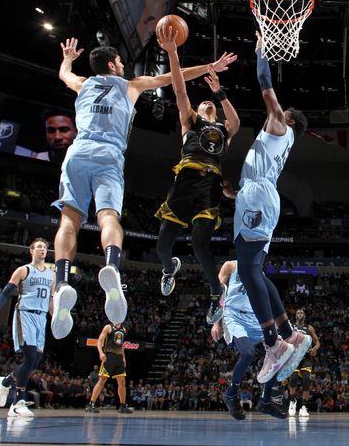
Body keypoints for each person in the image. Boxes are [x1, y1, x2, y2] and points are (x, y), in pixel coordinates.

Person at [50, 36, 237, 340]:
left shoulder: (83, 84)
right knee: (108, 218)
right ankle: (111, 265)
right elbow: (173, 79)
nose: (124, 66)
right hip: (108, 155)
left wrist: (69, 58)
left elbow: (64, 75)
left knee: (69, 220)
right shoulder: (130, 85)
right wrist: (210, 66)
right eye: (121, 63)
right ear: (113, 64)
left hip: (78, 151)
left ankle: (61, 283)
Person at [231, 32, 311, 385]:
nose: (283, 107)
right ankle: (290, 333)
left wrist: (261, 49)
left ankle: (273, 344)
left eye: (286, 109)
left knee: (248, 273)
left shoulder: (280, 123)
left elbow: (265, 84)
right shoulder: (281, 139)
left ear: (290, 120)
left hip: (259, 197)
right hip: (260, 196)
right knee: (256, 272)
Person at [156, 45, 240, 326]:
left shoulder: (224, 129)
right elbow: (180, 89)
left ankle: (217, 293)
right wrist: (172, 52)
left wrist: (220, 93)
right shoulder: (190, 120)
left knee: (199, 243)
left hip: (210, 185)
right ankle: (169, 269)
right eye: (204, 101)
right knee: (162, 246)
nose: (207, 103)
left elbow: (237, 122)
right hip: (185, 181)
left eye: (211, 104)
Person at [210, 260, 287, 420]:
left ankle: (265, 401)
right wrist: (217, 321)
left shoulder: (260, 272)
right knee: (248, 353)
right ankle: (231, 395)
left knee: (280, 352)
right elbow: (217, 292)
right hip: (234, 316)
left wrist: (272, 325)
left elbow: (265, 301)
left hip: (255, 319)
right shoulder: (230, 266)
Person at [0, 237, 54, 417]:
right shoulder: (23, 270)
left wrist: (56, 317)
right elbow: (6, 292)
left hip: (41, 318)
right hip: (24, 314)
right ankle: (17, 403)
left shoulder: (51, 274)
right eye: (38, 247)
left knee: (35, 360)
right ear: (31, 251)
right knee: (30, 355)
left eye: (44, 247)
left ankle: (6, 382)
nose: (42, 249)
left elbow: (50, 301)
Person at [86, 322, 132, 414]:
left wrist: (124, 358)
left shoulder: (123, 329)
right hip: (109, 357)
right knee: (102, 381)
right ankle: (91, 404)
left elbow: (121, 345)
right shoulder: (108, 327)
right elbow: (99, 341)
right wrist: (101, 353)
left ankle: (122, 405)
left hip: (119, 358)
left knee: (122, 382)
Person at [287, 307, 320, 417]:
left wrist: (315, 348)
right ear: (296, 316)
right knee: (293, 378)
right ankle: (292, 402)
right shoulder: (291, 327)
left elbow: (317, 342)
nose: (300, 314)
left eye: (302, 312)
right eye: (298, 312)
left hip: (305, 358)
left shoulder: (309, 328)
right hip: (294, 357)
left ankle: (303, 407)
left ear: (304, 316)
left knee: (306, 380)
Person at [14, 110, 79, 164]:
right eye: (51, 130)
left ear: (76, 131)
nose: (57, 137)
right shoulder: (35, 159)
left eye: (64, 130)